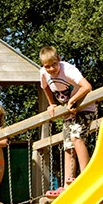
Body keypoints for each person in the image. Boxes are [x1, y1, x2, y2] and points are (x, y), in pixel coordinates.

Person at [39, 46, 95, 194]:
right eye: (47, 66)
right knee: (68, 146)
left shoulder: (68, 70)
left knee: (76, 138)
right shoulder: (43, 73)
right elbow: (45, 87)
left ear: (59, 60)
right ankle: (67, 183)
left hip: (84, 107)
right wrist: (52, 104)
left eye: (54, 65)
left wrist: (72, 100)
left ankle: (85, 174)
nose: (51, 69)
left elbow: (87, 86)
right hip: (68, 110)